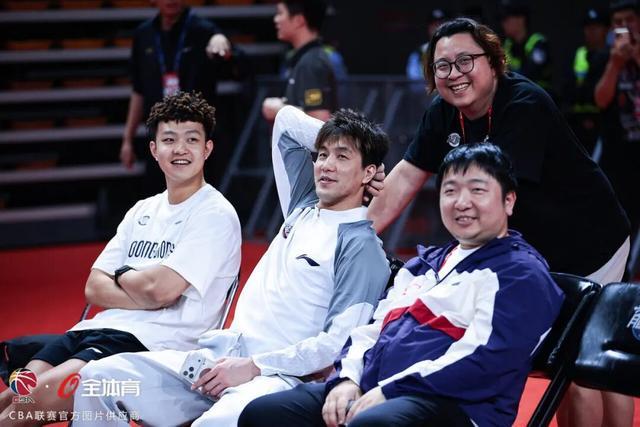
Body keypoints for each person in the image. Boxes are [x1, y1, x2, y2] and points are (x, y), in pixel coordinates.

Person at [366, 16, 633, 427]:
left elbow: (491, 202)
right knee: (574, 366)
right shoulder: (443, 112)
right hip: (537, 251)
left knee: (579, 366)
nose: (454, 74)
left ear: (493, 61)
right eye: (442, 65)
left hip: (590, 243)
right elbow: (404, 177)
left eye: (465, 61)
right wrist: (356, 234)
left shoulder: (525, 104)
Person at [72, 106, 390, 427]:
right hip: (216, 359)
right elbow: (286, 122)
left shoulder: (362, 248)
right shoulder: (302, 206)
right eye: (321, 155)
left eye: (341, 157)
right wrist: (340, 139)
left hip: (273, 377)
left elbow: (336, 345)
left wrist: (254, 366)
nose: (326, 165)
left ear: (368, 173)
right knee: (99, 378)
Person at [239, 142, 564, 427]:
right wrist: (347, 379)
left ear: (508, 201)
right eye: (450, 191)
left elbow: (484, 361)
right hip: (378, 391)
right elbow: (371, 330)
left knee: (373, 423)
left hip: (455, 407)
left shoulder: (520, 274)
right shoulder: (425, 263)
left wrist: (392, 390)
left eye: (477, 190)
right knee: (265, 414)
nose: (461, 202)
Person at [0, 91, 241, 426]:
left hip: (150, 343)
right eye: (169, 140)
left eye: (191, 139)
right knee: (14, 395)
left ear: (207, 149)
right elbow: (94, 287)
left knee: (29, 402)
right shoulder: (142, 210)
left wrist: (123, 274)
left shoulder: (214, 214)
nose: (180, 149)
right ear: (154, 149)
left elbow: (161, 291)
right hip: (94, 329)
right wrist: (145, 291)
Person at [120, 0, 232, 196]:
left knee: (199, 196)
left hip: (196, 133)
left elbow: (224, 47)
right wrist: (127, 139)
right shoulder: (143, 34)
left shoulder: (203, 30)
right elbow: (138, 91)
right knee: (158, 197)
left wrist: (221, 40)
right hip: (160, 133)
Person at [592, 0, 640, 269]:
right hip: (618, 154)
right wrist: (615, 63)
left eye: (629, 20)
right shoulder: (604, 58)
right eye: (617, 22)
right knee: (621, 220)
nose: (623, 27)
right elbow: (600, 99)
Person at [262, 0, 338, 122]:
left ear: (299, 20)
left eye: (280, 13)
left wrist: (280, 110)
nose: (276, 19)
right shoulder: (302, 58)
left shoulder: (312, 63)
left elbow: (320, 119)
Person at [564, 8, 609, 155]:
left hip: (604, 121)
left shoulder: (613, 56)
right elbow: (568, 89)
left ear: (606, 29)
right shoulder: (578, 54)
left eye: (597, 27)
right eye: (588, 27)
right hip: (577, 121)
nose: (592, 31)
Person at [500, 0, 554, 95]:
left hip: (539, 96)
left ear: (521, 19)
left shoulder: (538, 43)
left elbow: (532, 73)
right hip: (517, 95)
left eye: (506, 20)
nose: (503, 24)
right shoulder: (507, 45)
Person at [406, 8, 449, 81]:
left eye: (441, 24)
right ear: (429, 28)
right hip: (426, 87)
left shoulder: (456, 48)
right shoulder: (419, 52)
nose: (437, 28)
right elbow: (413, 80)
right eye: (434, 25)